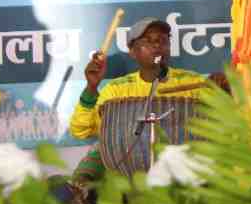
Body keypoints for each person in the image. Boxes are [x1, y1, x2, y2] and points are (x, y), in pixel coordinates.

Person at [70, 18, 224, 171]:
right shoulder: (115, 91)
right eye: (148, 41)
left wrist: (224, 92)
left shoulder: (194, 83)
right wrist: (91, 87)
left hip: (184, 172)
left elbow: (222, 126)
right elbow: (80, 130)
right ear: (132, 51)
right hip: (131, 173)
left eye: (162, 40)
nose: (157, 45)